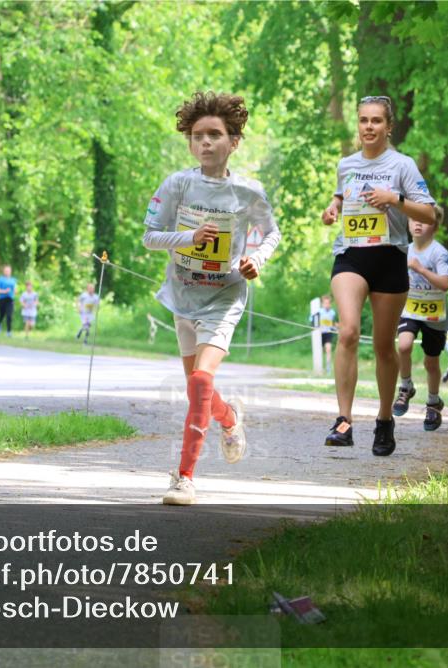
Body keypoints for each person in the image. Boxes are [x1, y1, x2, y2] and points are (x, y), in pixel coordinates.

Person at [143, 91, 280, 505]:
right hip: (183, 296)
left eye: (215, 135)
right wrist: (188, 237)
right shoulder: (177, 185)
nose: (205, 142)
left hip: (224, 296)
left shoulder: (247, 192)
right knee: (196, 389)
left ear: (233, 142)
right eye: (198, 135)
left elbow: (271, 232)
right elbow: (150, 236)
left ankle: (184, 477)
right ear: (190, 141)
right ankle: (230, 417)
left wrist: (256, 259)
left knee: (202, 380)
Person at [320, 95, 436, 454]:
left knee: (385, 347)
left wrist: (395, 200)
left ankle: (385, 420)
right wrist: (333, 206)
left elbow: (430, 214)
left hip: (390, 257)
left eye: (376, 121)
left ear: (388, 127)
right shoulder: (346, 164)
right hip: (351, 255)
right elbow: (342, 197)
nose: (369, 127)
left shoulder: (402, 165)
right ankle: (343, 420)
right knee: (349, 331)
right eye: (363, 120)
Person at [393, 206, 448, 431]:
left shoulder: (439, 253)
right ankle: (406, 387)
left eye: (424, 221)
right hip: (410, 308)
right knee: (404, 345)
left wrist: (420, 269)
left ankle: (433, 402)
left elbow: (446, 284)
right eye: (413, 219)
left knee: (431, 361)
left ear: (435, 227)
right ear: (408, 224)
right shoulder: (403, 250)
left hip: (434, 311)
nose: (418, 224)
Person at [311, 294, 338, 374]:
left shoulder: (332, 312)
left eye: (328, 303)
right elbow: (312, 320)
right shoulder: (319, 312)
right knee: (320, 351)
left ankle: (328, 368)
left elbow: (333, 323)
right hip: (319, 334)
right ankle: (320, 368)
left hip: (328, 333)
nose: (327, 305)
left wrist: (336, 328)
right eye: (325, 303)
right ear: (322, 304)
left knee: (328, 349)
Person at [0, 265, 17, 337]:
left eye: (9, 271)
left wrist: (15, 291)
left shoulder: (13, 280)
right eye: (6, 271)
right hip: (2, 299)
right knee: (2, 314)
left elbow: (15, 289)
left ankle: (9, 331)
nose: (7, 272)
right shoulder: (0, 279)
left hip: (10, 300)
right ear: (4, 271)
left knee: (9, 315)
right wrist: (4, 291)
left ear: (10, 271)